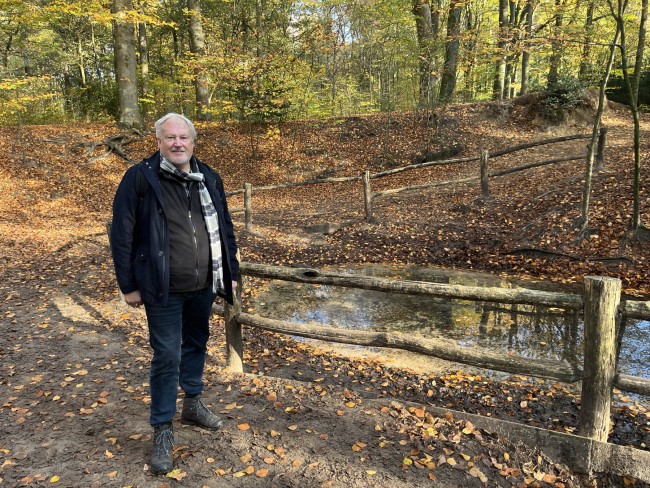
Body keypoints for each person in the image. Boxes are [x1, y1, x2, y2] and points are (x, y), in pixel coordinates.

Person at [110, 113, 239, 475]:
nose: (178, 143)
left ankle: (193, 403)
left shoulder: (209, 176)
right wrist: (128, 285)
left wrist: (229, 274)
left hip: (203, 285)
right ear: (159, 141)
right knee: (166, 355)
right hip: (161, 288)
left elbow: (225, 228)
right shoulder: (140, 178)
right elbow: (121, 234)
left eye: (184, 137)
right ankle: (163, 428)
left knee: (196, 345)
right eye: (170, 138)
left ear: (192, 141)